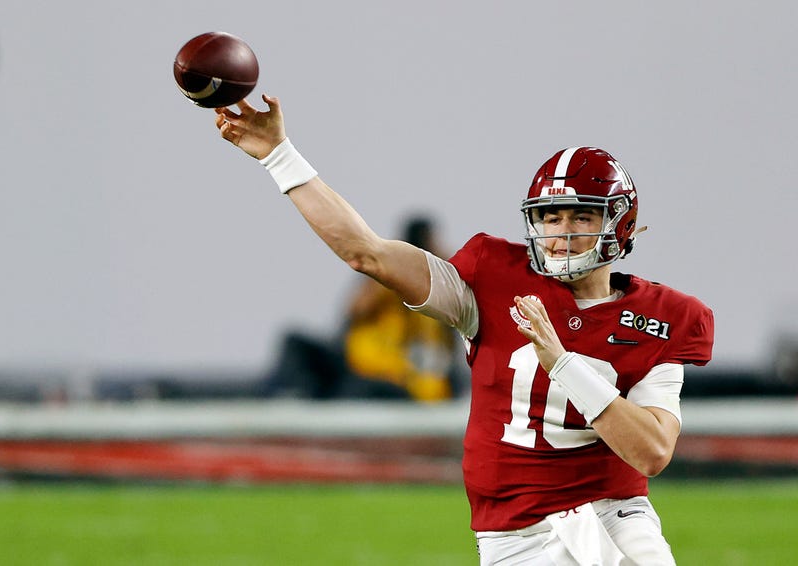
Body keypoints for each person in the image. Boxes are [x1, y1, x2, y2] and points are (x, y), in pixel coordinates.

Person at [211, 94, 714, 565]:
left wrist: (562, 363)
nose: (560, 234)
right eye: (551, 217)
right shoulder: (493, 278)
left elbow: (652, 452)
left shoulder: (663, 316)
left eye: (580, 217)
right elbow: (364, 251)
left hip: (612, 518)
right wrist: (279, 155)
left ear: (618, 223)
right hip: (511, 534)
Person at [261, 215, 464, 401]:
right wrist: (393, 266)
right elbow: (354, 309)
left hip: (398, 382)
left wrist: (436, 270)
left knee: (356, 392)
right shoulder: (386, 280)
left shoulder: (438, 295)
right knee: (295, 344)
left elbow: (449, 349)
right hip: (355, 364)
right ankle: (269, 403)